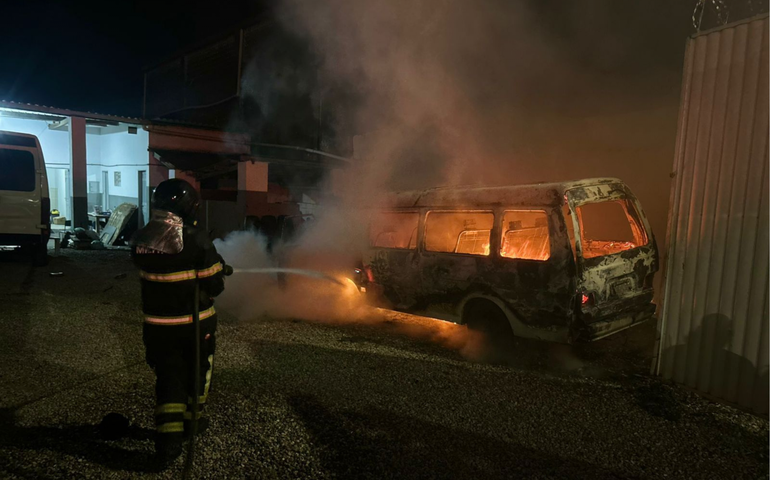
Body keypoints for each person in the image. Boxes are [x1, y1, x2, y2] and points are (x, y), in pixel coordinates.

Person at [130, 178, 226, 466]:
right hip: (193, 325)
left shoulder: (141, 239)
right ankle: (191, 424)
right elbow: (215, 284)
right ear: (188, 206)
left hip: (157, 327)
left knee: (168, 379)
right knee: (198, 374)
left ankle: (167, 444)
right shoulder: (196, 239)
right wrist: (219, 268)